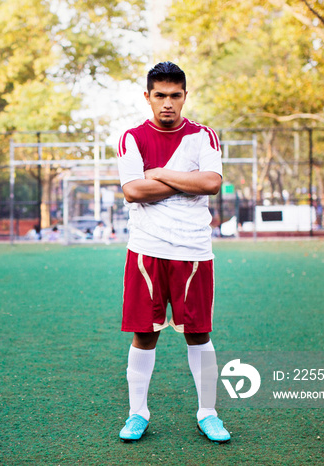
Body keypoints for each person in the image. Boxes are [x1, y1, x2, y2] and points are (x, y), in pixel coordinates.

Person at [116, 62, 229, 444]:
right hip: (147, 250)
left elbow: (211, 182)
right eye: (160, 95)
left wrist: (160, 172)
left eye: (175, 95)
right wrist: (186, 182)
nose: (168, 103)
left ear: (185, 96)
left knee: (199, 334)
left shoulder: (204, 136)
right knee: (144, 335)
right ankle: (137, 413)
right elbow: (133, 191)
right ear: (147, 97)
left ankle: (208, 412)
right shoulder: (131, 138)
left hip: (194, 249)